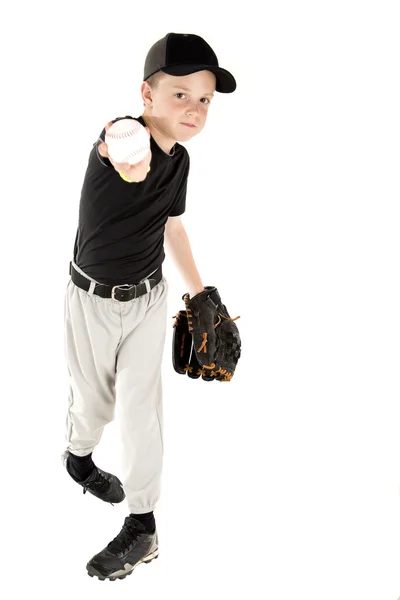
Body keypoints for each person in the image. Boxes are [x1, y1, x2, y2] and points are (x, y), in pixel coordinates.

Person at [62, 32, 236, 581]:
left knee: (141, 411)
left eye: (205, 99)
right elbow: (123, 150)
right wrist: (124, 147)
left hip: (148, 299)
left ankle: (142, 528)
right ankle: (79, 458)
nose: (194, 108)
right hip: (90, 299)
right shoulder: (126, 136)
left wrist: (200, 292)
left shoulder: (180, 162)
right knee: (94, 403)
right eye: (180, 94)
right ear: (146, 92)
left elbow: (172, 225)